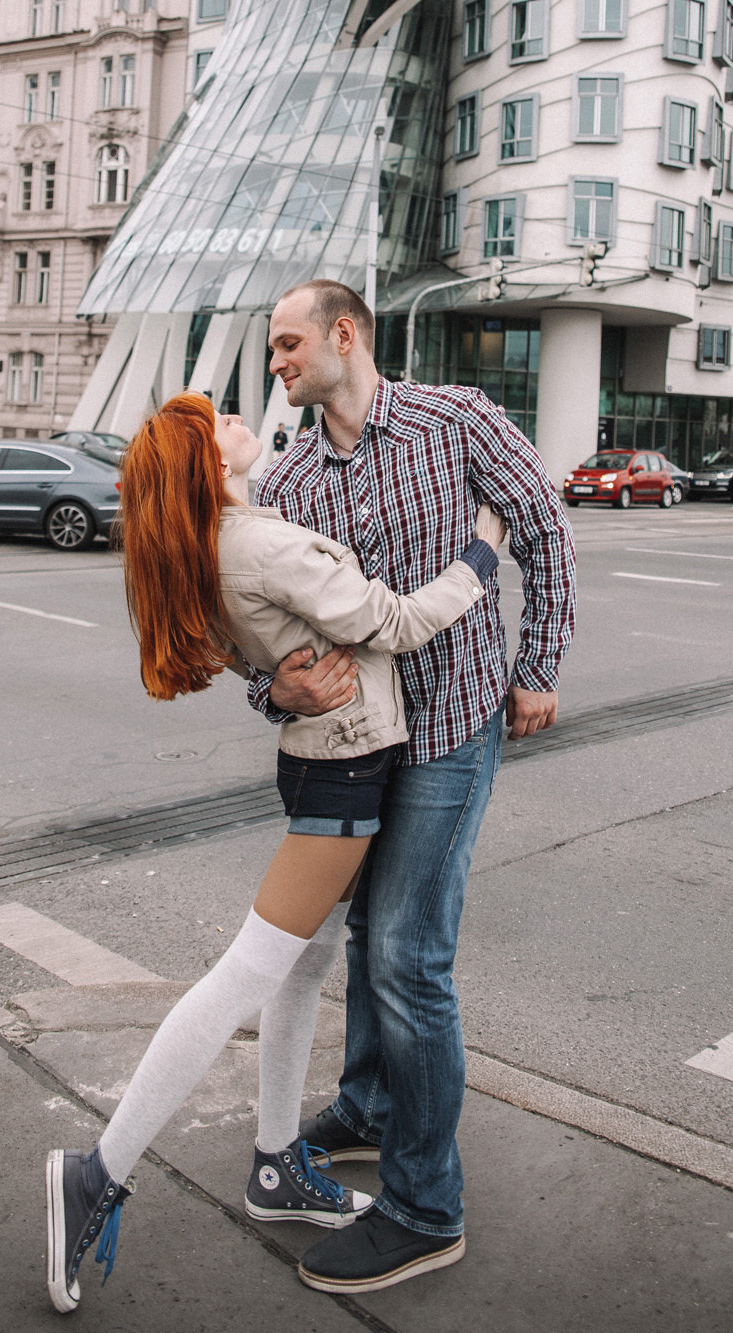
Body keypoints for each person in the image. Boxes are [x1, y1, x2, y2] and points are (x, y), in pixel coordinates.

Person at [45, 390, 507, 1313]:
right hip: (340, 776)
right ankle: (95, 1170)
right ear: (205, 465)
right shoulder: (257, 544)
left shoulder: (216, 537)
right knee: (248, 973)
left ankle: (272, 1165)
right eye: (213, 421)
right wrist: (480, 553)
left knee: (300, 971)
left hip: (326, 764)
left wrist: (272, 676)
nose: (231, 418)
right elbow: (395, 623)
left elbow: (257, 604)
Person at [254, 279, 575, 1294]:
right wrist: (275, 688)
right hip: (357, 739)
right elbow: (268, 631)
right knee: (363, 935)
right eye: (273, 348)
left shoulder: (454, 420)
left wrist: (537, 666)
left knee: (406, 951)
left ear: (343, 335)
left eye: (287, 342)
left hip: (450, 723)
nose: (277, 363)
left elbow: (545, 530)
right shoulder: (289, 479)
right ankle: (366, 1106)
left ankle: (425, 1204)